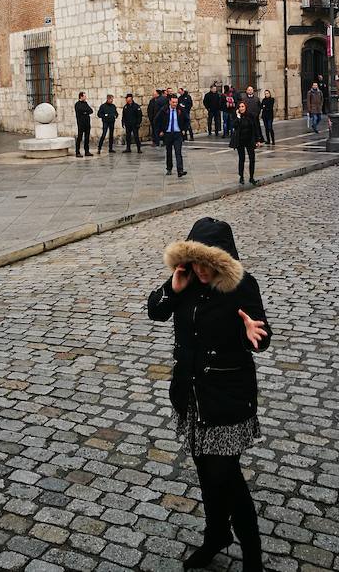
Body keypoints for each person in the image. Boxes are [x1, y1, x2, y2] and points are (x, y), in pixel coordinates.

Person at [148, 216, 271, 572]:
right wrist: (172, 286)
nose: (202, 270)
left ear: (223, 262)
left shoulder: (243, 287)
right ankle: (216, 534)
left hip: (226, 397)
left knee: (226, 476)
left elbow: (263, 338)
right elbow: (155, 311)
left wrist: (255, 332)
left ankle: (252, 557)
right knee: (205, 469)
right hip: (190, 393)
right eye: (197, 261)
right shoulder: (184, 280)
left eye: (209, 263)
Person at [155, 93, 188, 177]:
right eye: (173, 102)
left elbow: (187, 120)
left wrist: (184, 129)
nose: (175, 104)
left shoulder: (180, 109)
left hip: (177, 134)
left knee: (178, 152)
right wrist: (160, 131)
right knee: (169, 152)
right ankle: (169, 168)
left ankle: (180, 170)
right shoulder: (164, 110)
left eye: (176, 102)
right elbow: (156, 120)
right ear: (170, 102)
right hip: (168, 134)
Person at [232, 101, 257, 185]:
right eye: (240, 107)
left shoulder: (250, 115)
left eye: (242, 106)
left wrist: (258, 140)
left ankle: (251, 177)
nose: (241, 108)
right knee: (241, 159)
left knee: (252, 159)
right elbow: (234, 126)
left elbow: (255, 128)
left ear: (245, 107)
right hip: (240, 140)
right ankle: (241, 177)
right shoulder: (237, 117)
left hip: (249, 140)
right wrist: (238, 117)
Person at [74, 91, 93, 157]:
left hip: (87, 123)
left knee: (87, 138)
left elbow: (91, 111)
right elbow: (80, 111)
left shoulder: (86, 103)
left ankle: (87, 151)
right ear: (81, 96)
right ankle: (77, 152)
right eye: (84, 96)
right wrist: (85, 112)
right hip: (81, 124)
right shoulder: (77, 104)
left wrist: (85, 112)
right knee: (79, 138)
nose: (86, 97)